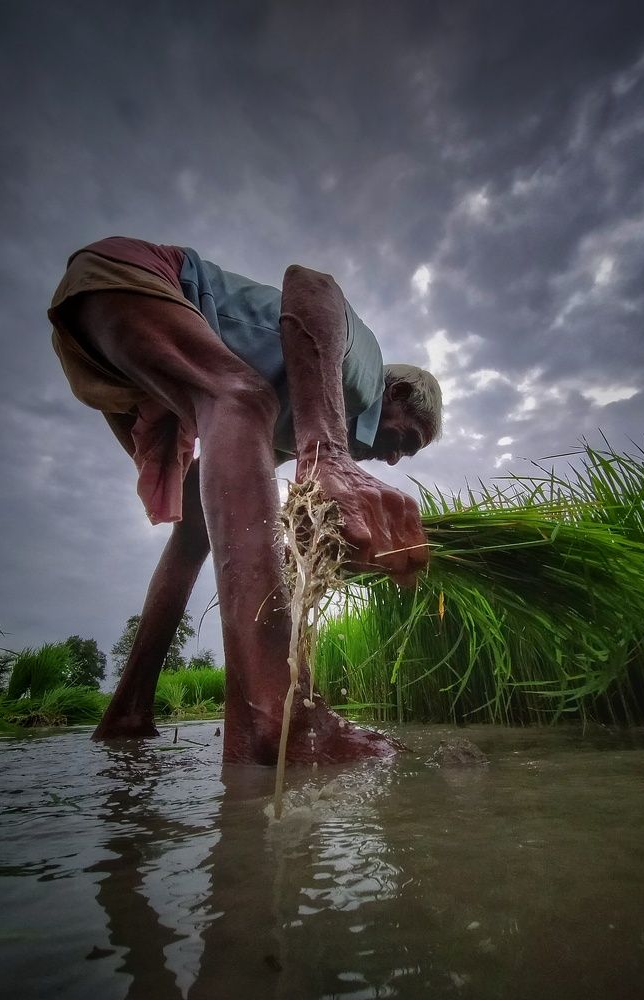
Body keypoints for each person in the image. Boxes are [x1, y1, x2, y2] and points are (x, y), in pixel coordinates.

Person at [49, 237, 443, 763]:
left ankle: (129, 710)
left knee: (194, 527)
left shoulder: (288, 423)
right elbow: (310, 283)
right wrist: (325, 450)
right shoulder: (363, 376)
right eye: (407, 439)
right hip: (132, 280)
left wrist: (312, 537)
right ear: (397, 394)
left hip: (107, 355)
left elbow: (237, 488)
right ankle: (284, 714)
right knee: (242, 396)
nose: (394, 459)